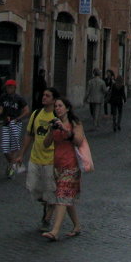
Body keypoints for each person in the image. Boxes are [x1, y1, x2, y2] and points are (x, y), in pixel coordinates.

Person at [41, 98, 85, 240]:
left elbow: (78, 141)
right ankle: (77, 226)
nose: (57, 108)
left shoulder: (74, 123)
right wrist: (51, 131)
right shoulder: (54, 123)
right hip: (57, 166)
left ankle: (55, 231)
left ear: (67, 108)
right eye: (56, 106)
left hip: (71, 166)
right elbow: (46, 144)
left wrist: (65, 129)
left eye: (60, 106)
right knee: (66, 198)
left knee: (61, 196)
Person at [18, 87, 59, 229]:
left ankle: (47, 218)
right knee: (33, 188)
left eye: (47, 96)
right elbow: (29, 134)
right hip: (35, 157)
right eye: (43, 95)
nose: (44, 97)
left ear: (54, 100)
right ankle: (48, 203)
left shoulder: (57, 117)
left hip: (51, 159)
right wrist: (21, 154)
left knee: (51, 190)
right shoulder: (36, 114)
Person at [0, 78, 30, 178]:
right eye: (7, 87)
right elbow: (1, 109)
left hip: (16, 123)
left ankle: (11, 167)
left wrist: (18, 118)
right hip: (6, 124)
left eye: (10, 87)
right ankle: (14, 164)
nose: (9, 89)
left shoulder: (19, 99)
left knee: (14, 146)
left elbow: (27, 111)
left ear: (14, 88)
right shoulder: (3, 97)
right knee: (5, 147)